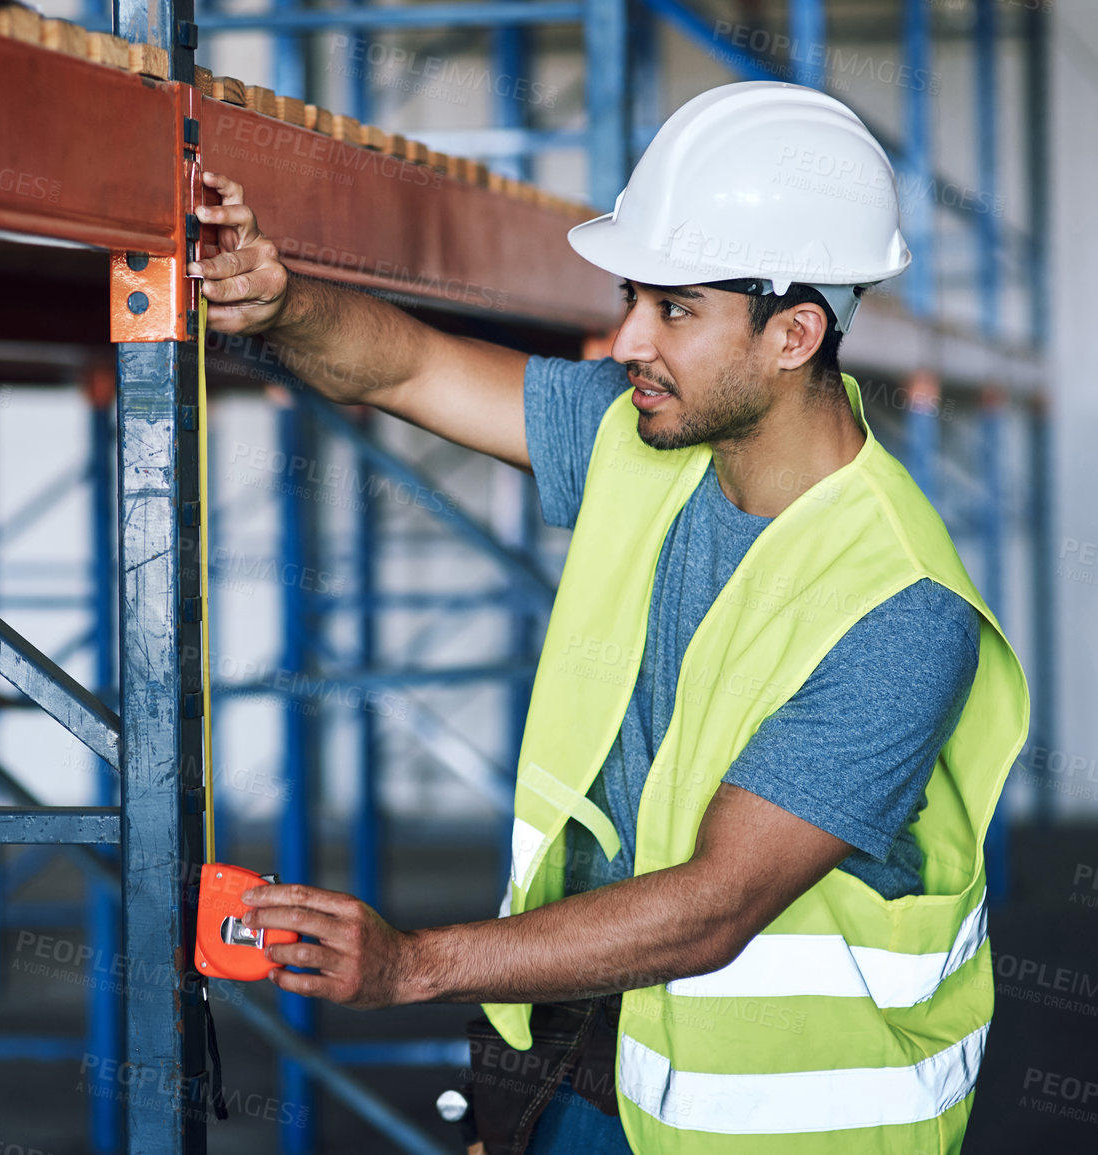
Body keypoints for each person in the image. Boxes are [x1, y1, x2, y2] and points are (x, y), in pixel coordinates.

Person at [185, 81, 1030, 1154]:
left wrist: (414, 967)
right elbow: (407, 364)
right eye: (636, 297)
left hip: (766, 1119)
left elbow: (717, 905)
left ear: (795, 333)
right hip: (584, 1037)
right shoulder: (649, 438)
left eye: (674, 310)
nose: (627, 338)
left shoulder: (900, 609)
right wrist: (279, 302)